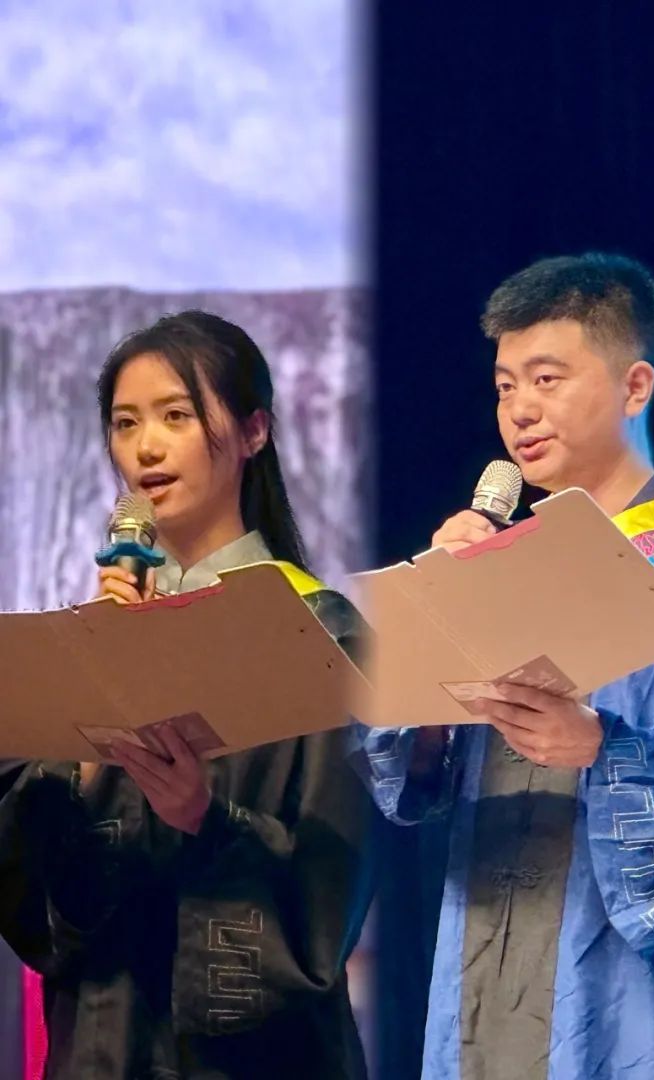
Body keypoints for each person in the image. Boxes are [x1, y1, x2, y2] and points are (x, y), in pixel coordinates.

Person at [355, 253, 654, 1079]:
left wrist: (601, 743)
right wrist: (430, 643)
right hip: (486, 927)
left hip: (626, 966)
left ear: (635, 387)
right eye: (504, 387)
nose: (519, 409)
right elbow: (411, 779)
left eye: (547, 380)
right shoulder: (497, 560)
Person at [0, 311, 372, 1079]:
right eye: (125, 423)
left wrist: (206, 819)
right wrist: (85, 760)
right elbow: (31, 894)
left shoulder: (318, 633)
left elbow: (332, 886)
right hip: (101, 1042)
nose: (146, 447)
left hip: (253, 1058)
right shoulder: (87, 642)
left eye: (176, 416)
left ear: (254, 431)